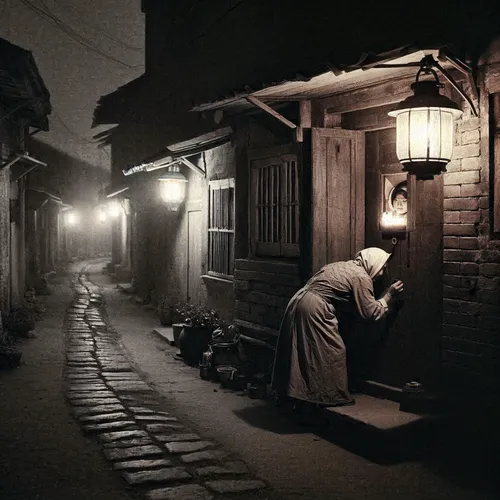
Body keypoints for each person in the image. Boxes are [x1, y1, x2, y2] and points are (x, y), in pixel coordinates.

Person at [271, 247, 404, 411]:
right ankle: (327, 396)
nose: (382, 274)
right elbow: (370, 313)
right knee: (332, 351)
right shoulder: (361, 277)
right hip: (315, 307)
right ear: (373, 264)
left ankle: (295, 395)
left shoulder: (343, 266)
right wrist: (388, 296)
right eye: (382, 268)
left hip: (299, 300)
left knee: (301, 349)